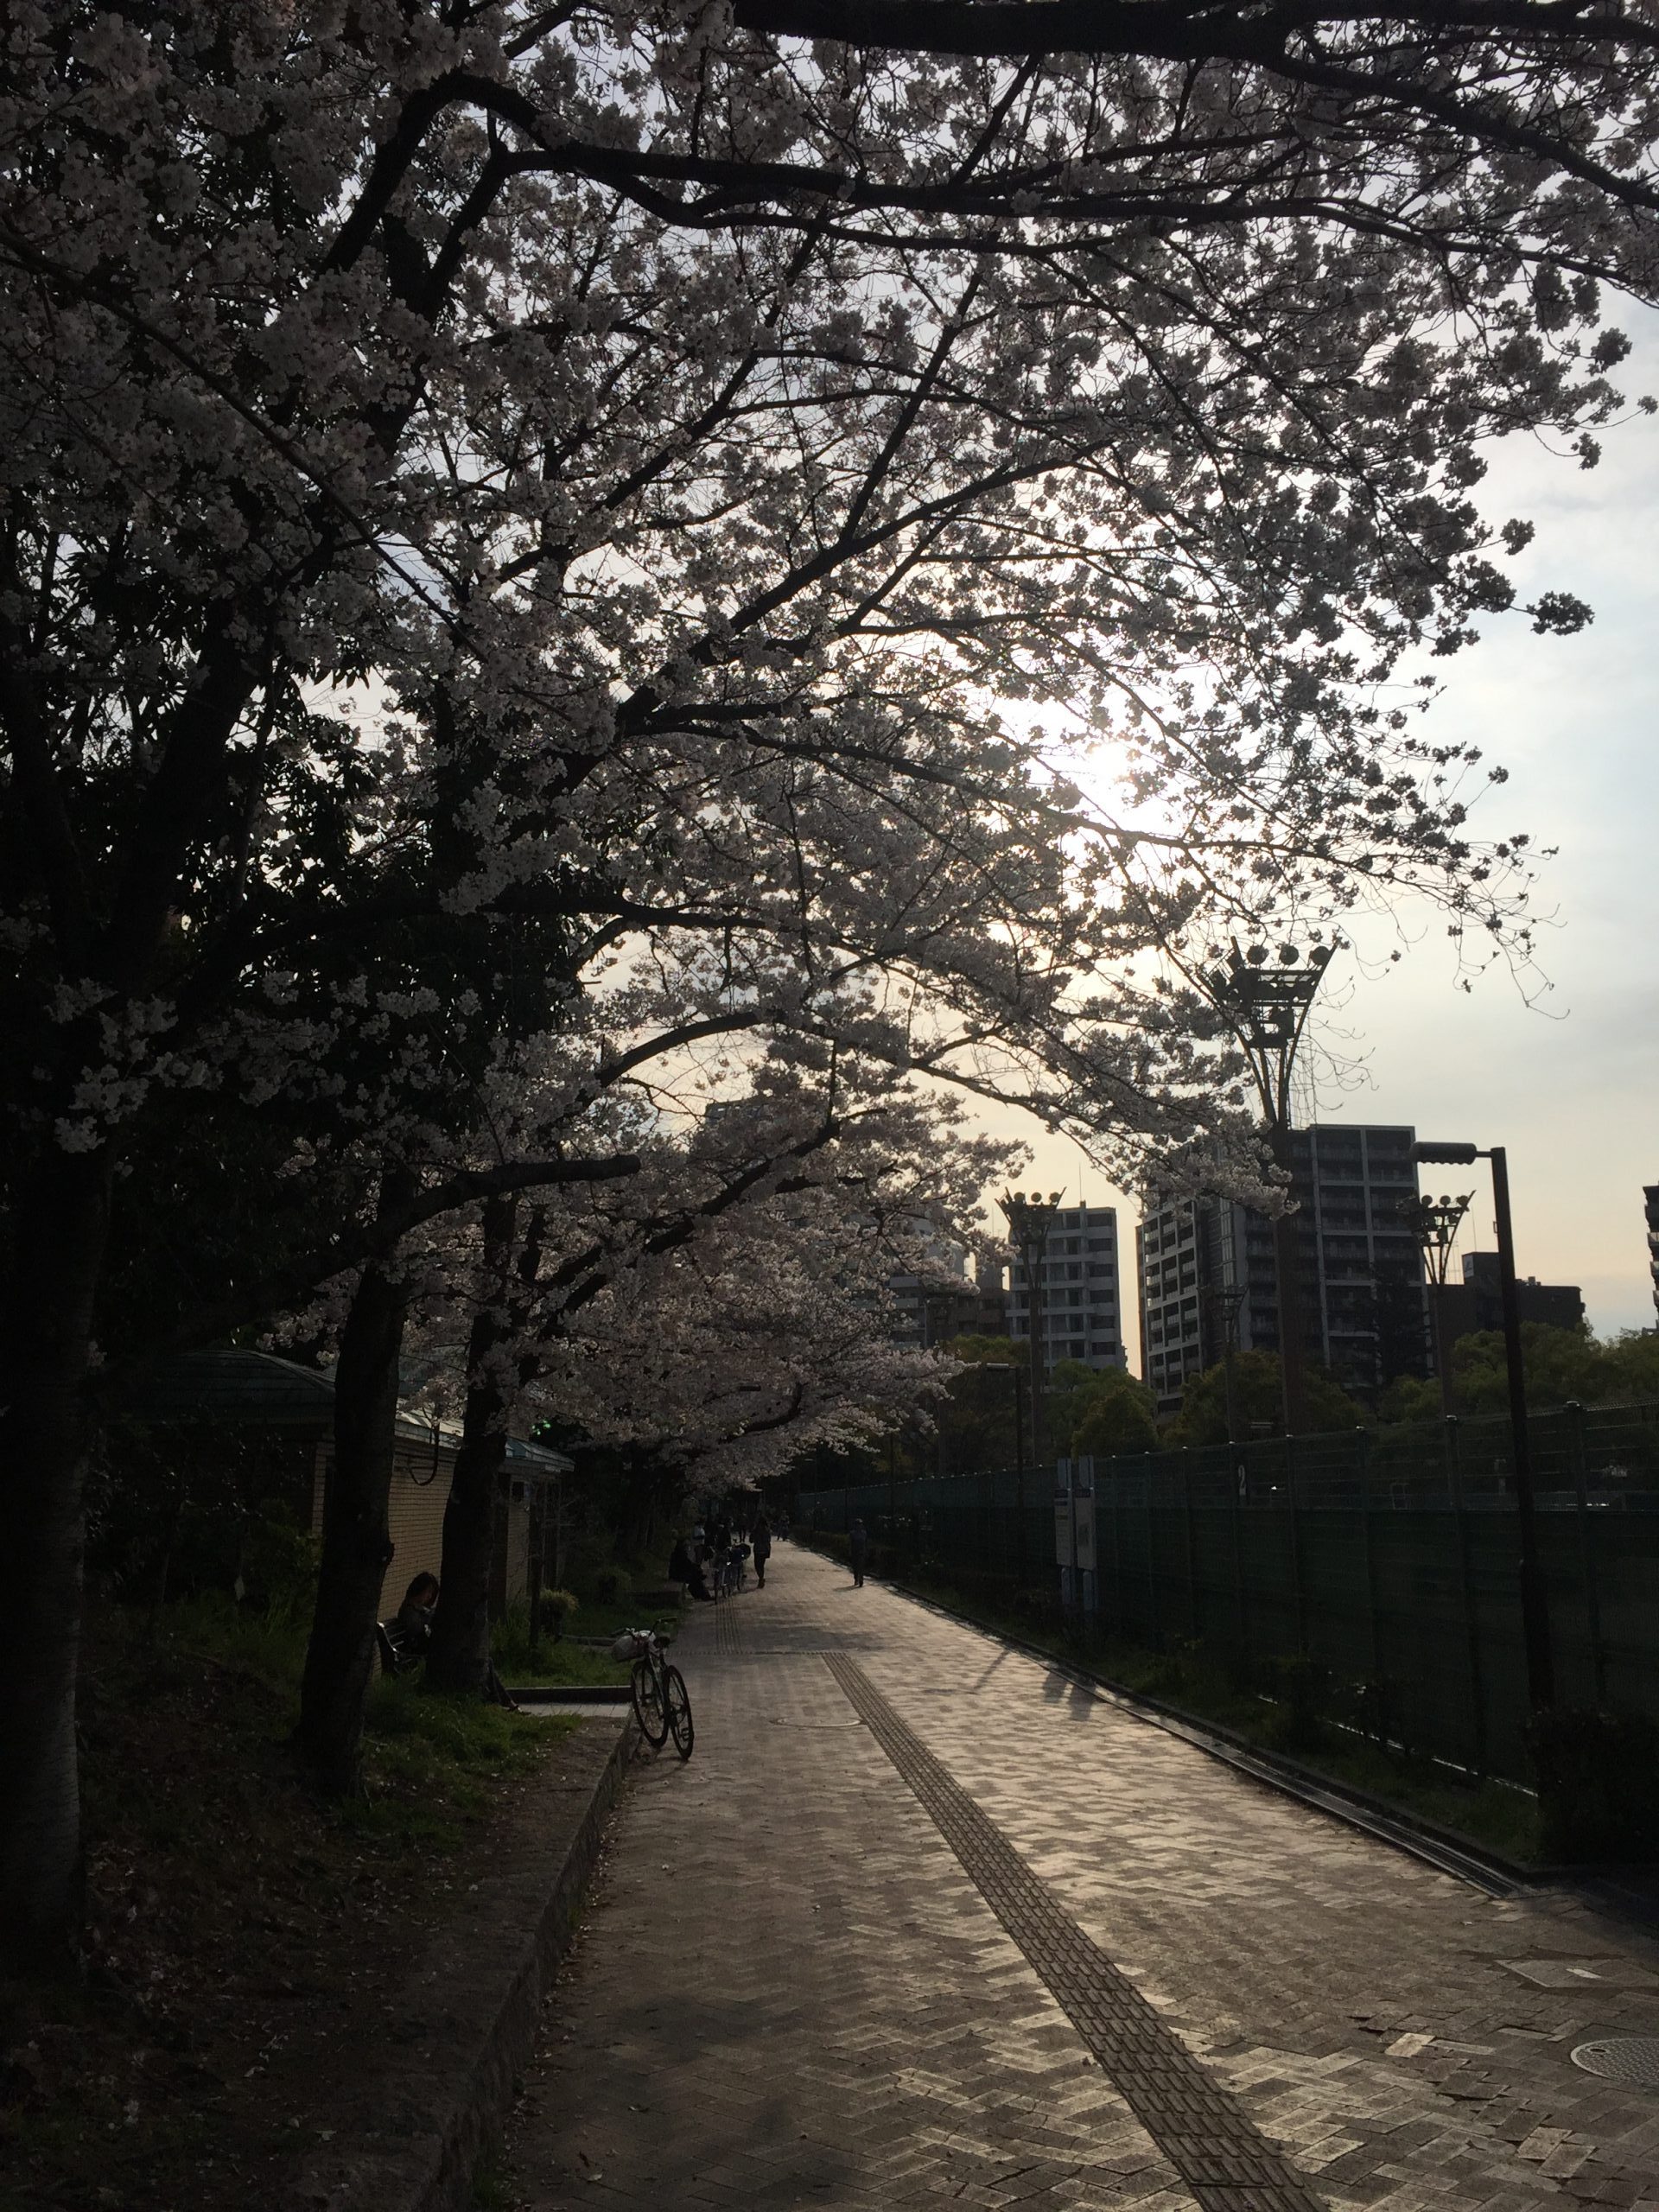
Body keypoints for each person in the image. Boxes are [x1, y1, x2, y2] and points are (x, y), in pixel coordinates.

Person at [396, 1570, 440, 1651]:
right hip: (413, 1649)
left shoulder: (418, 1608)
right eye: (428, 1592)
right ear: (420, 1589)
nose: (429, 1597)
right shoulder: (409, 1610)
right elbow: (416, 1629)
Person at [670, 1531, 713, 1602]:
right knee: (695, 1578)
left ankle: (700, 1595)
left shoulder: (679, 1553)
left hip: (678, 1573)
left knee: (695, 1578)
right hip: (677, 1575)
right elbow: (687, 1565)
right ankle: (704, 1596)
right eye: (687, 1546)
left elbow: (688, 1564)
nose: (688, 1547)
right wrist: (697, 1569)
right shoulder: (680, 1554)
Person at [751, 1510, 772, 1589]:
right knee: (760, 1565)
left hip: (759, 1549)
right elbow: (768, 1540)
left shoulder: (757, 1530)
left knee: (758, 1565)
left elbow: (751, 1539)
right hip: (764, 1550)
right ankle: (761, 1578)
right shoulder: (766, 1530)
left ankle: (761, 1578)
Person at [848, 1517, 868, 1588]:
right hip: (854, 1552)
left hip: (861, 1552)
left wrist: (865, 1551)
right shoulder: (852, 1533)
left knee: (861, 1567)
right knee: (855, 1567)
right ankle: (856, 1578)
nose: (859, 1526)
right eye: (857, 1524)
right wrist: (850, 1551)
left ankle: (861, 1579)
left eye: (860, 1524)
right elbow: (850, 1543)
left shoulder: (864, 1533)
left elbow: (865, 1543)